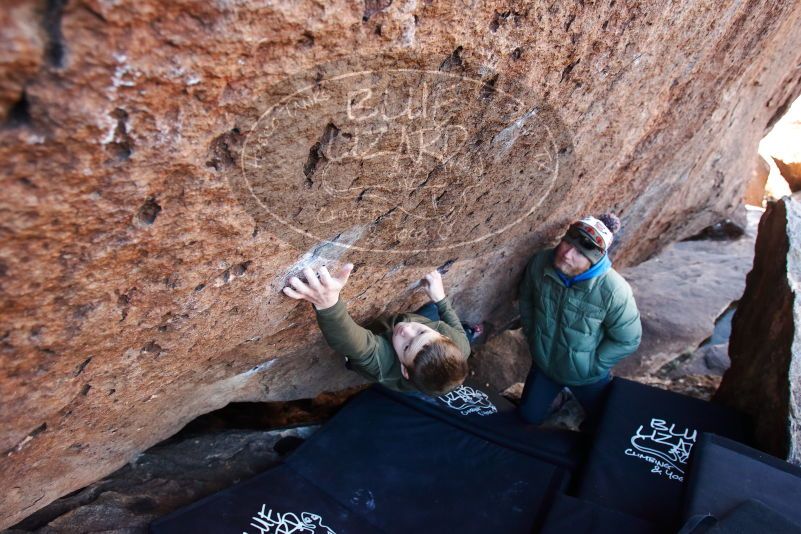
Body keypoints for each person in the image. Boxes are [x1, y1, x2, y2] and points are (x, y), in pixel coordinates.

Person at [517, 213, 642, 431]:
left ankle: (571, 400)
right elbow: (526, 299)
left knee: (603, 426)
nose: (566, 254)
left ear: (594, 260)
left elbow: (628, 339)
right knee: (527, 417)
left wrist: (594, 365)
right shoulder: (541, 262)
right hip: (545, 365)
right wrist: (532, 334)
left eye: (580, 252)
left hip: (588, 376)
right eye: (567, 242)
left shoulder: (613, 291)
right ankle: (560, 399)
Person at [282, 265, 471, 396]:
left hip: (377, 349)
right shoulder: (461, 345)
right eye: (421, 333)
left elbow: (349, 341)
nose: (406, 331)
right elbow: (458, 330)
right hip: (415, 338)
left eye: (407, 347)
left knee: (357, 355)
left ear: (405, 370)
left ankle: (352, 362)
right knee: (429, 311)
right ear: (444, 337)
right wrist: (441, 299)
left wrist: (328, 304)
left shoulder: (384, 364)